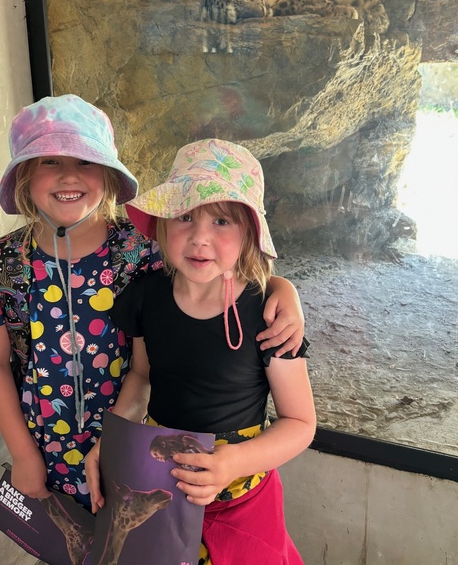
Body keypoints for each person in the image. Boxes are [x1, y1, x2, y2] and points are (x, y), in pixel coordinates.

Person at [0, 95, 305, 513]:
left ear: (108, 173)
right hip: (43, 442)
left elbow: (216, 271)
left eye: (85, 161)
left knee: (129, 535)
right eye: (49, 161)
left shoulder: (141, 248)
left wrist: (281, 288)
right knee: (64, 537)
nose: (68, 175)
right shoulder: (3, 261)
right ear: (24, 175)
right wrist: (22, 453)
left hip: (135, 444)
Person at [85, 138, 316, 564]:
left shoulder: (270, 312)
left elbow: (300, 423)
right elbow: (141, 377)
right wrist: (113, 442)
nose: (199, 238)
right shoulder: (145, 296)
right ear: (163, 224)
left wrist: (234, 462)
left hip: (242, 498)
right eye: (185, 216)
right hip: (162, 486)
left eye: (222, 221)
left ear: (249, 233)